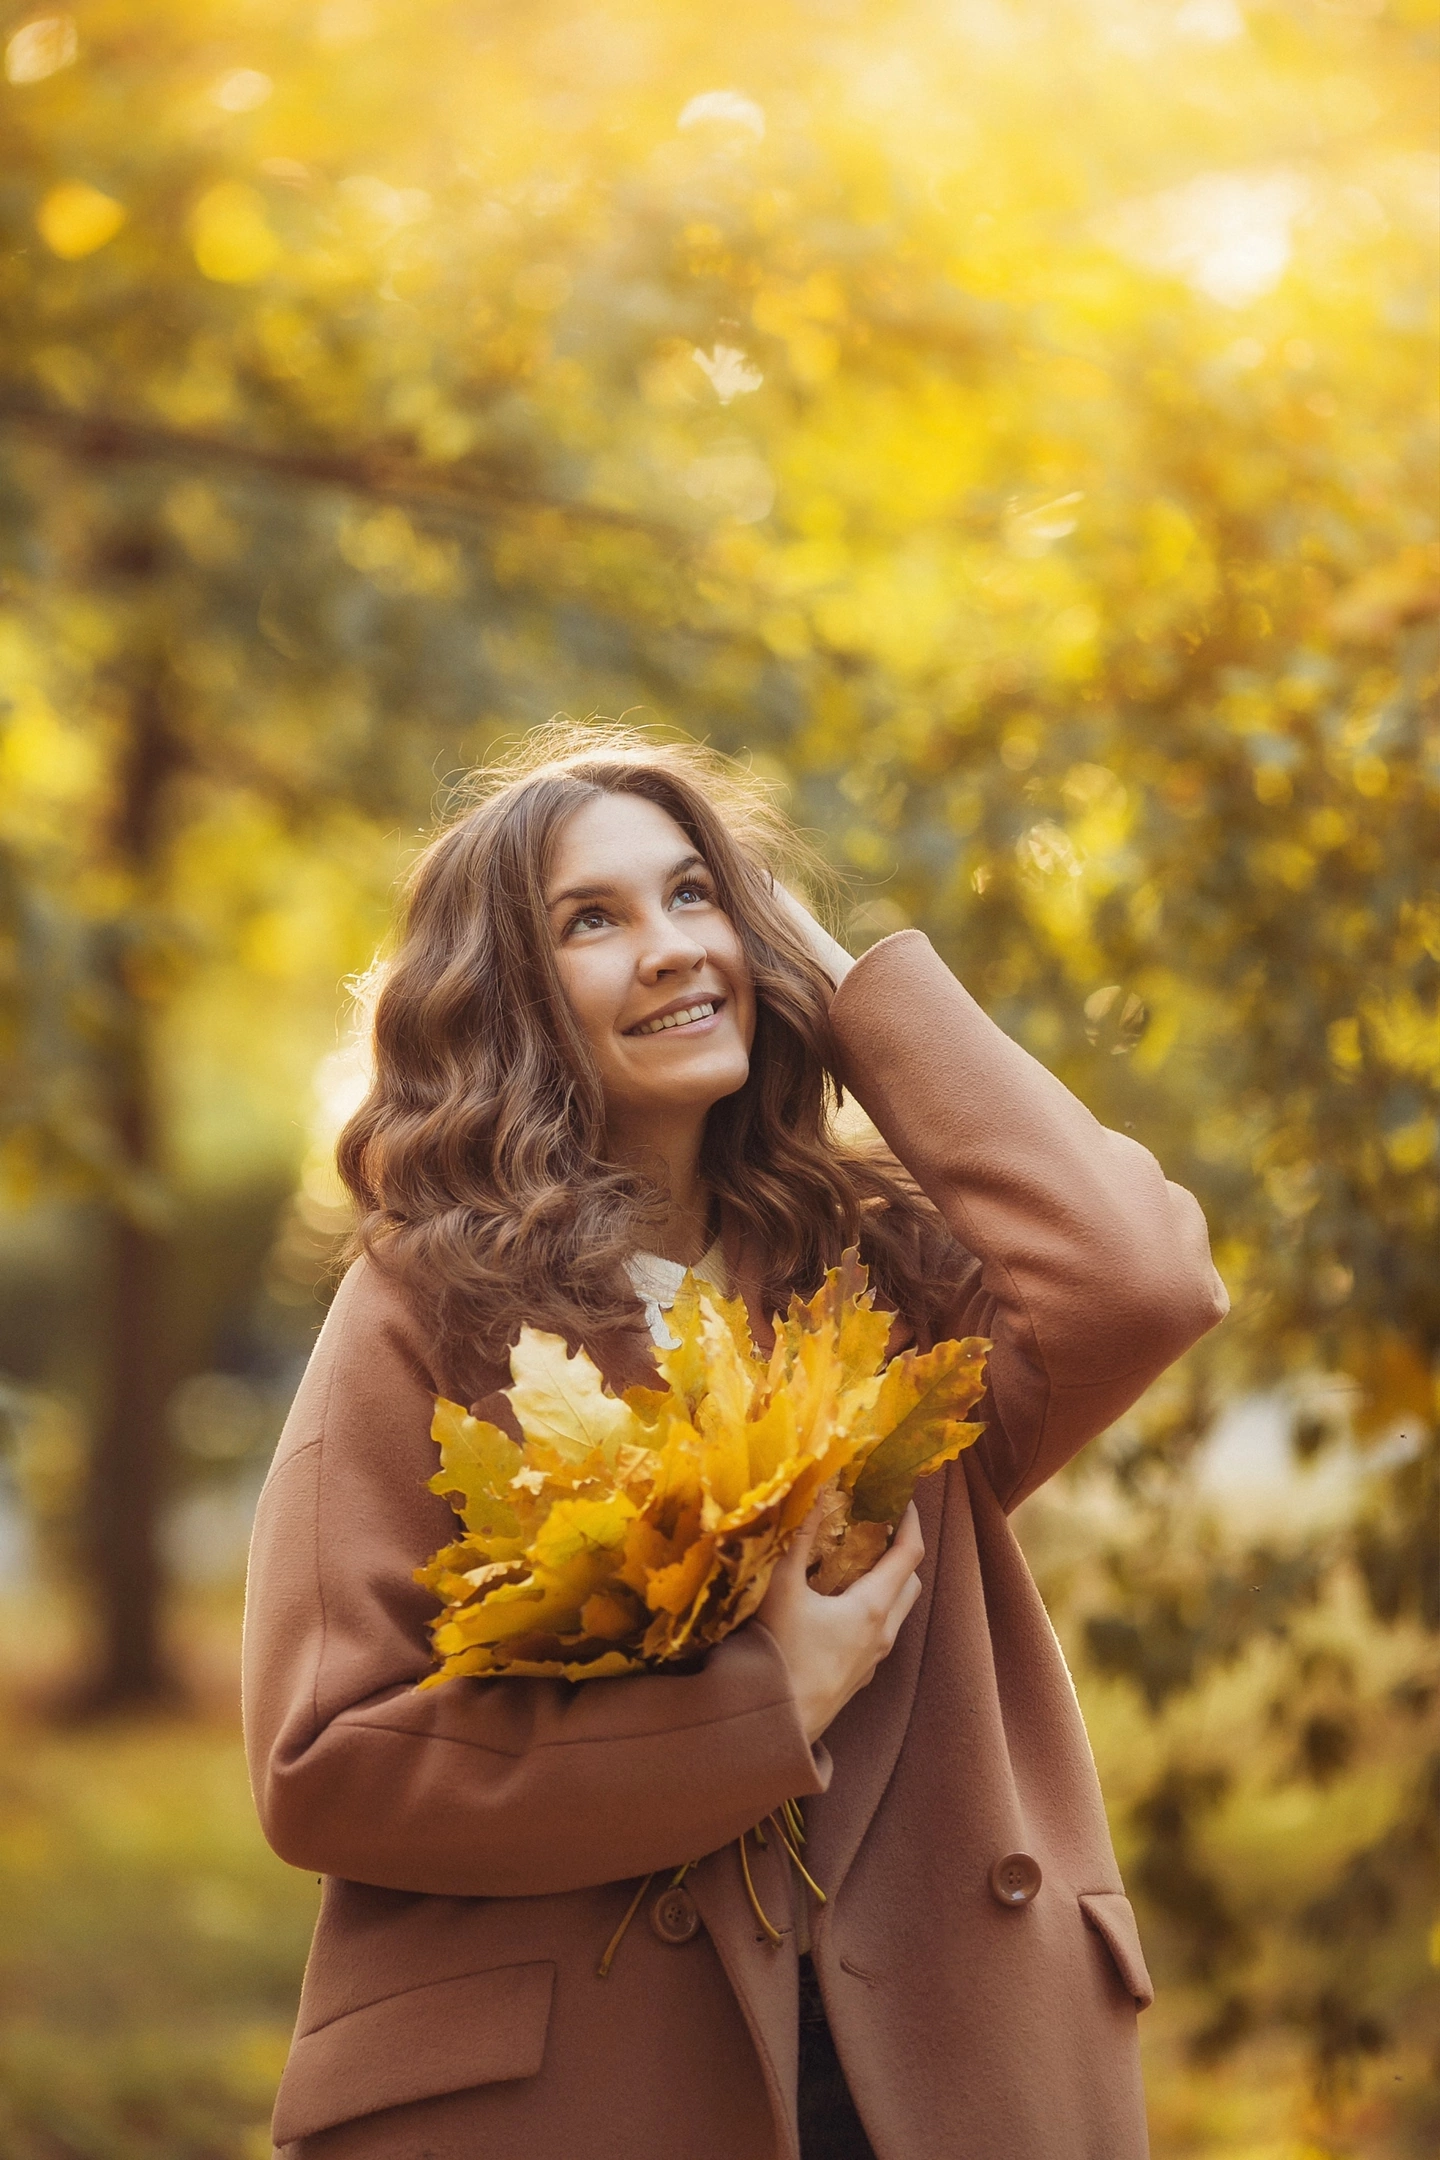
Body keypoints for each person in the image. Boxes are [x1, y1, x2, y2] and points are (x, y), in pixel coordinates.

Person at [243, 724, 1227, 2159]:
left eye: (696, 894)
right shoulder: (422, 1309)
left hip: (952, 2064)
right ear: (508, 997)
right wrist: (761, 1707)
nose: (670, 948)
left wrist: (841, 988)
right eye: (593, 920)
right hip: (595, 2088)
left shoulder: (888, 1272)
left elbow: (1140, 1281)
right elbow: (324, 1765)